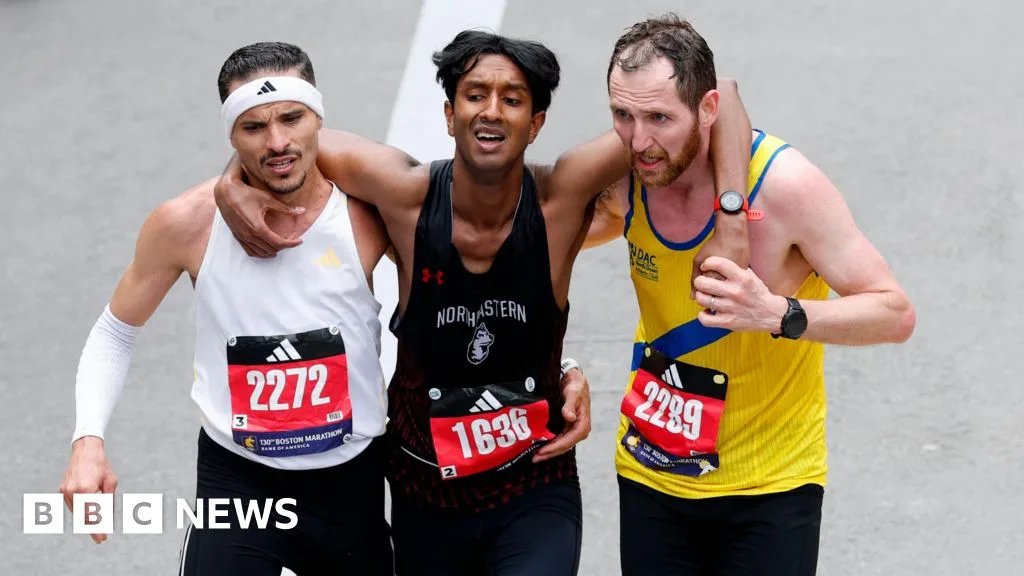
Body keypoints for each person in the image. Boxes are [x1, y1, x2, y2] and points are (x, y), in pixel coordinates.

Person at [214, 30, 755, 576]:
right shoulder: (405, 195)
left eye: (513, 99)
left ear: (536, 123)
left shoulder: (561, 197)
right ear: (449, 114)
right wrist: (231, 179)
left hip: (533, 487)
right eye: (475, 96)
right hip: (424, 492)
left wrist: (731, 220)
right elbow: (279, 144)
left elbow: (721, 94)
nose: (491, 112)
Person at [583, 14, 917, 576]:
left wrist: (777, 313)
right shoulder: (628, 180)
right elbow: (528, 250)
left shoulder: (787, 187)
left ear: (707, 109)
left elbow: (894, 311)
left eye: (660, 118)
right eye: (623, 115)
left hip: (772, 485)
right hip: (652, 470)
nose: (639, 140)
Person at [58, 42, 395, 575]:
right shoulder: (186, 223)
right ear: (230, 135)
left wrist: (557, 365)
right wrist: (87, 439)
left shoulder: (370, 213)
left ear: (319, 120)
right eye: (253, 127)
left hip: (349, 484)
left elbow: (478, 280)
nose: (277, 142)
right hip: (241, 482)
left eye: (292, 118)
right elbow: (114, 333)